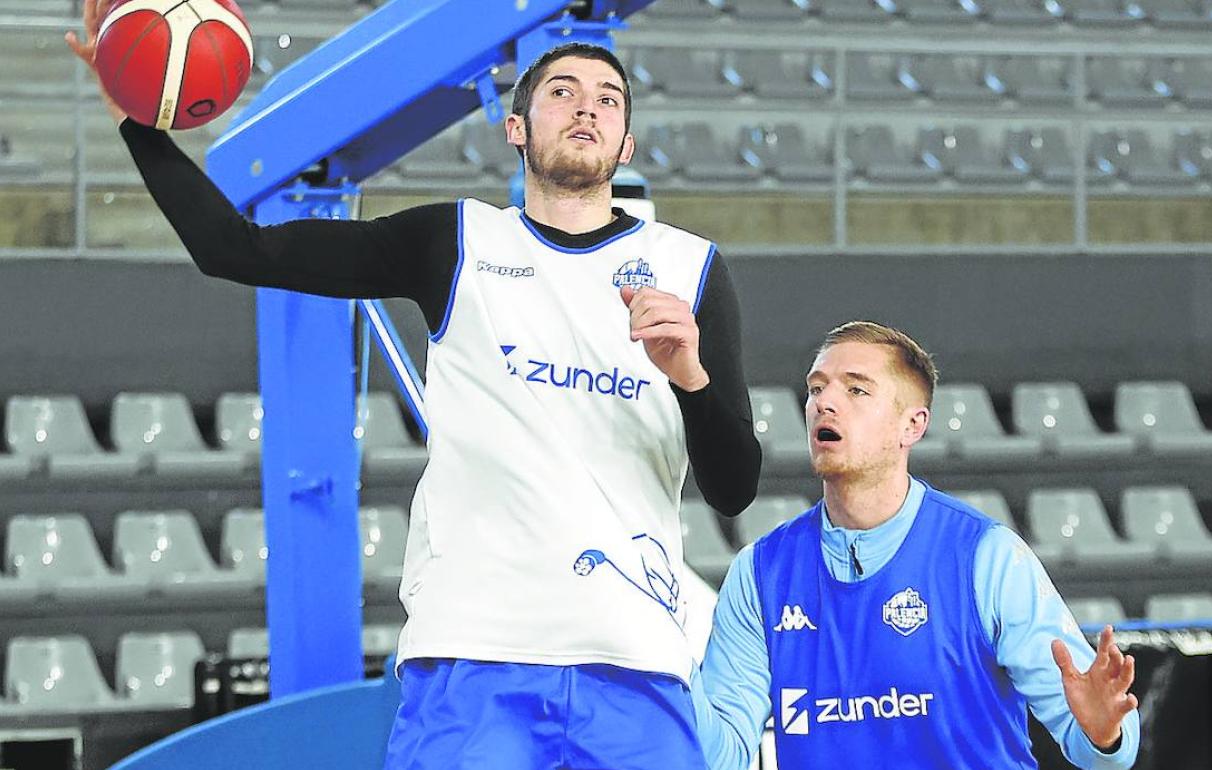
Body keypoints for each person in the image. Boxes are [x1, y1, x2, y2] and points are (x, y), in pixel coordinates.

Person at [67, 3, 761, 768]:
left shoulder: (689, 268)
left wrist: (690, 378)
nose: (586, 107)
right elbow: (234, 249)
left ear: (626, 141)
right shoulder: (455, 241)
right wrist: (139, 125)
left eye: (607, 98)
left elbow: (733, 490)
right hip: (472, 656)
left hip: (636, 665)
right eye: (561, 91)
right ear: (517, 126)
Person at [692, 321, 1140, 770]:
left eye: (856, 391)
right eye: (816, 388)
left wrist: (1104, 735)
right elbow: (721, 757)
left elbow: (1101, 748)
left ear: (912, 424)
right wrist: (672, 672)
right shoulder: (759, 574)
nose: (824, 403)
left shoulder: (986, 557)